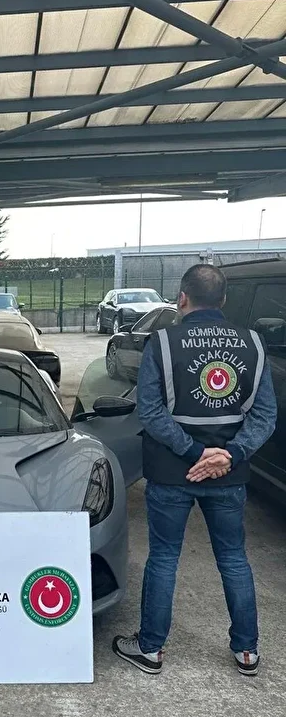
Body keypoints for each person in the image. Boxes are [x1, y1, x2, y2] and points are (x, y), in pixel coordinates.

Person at [113, 264, 277, 677]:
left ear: (182, 298)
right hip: (228, 474)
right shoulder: (254, 344)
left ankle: (150, 649)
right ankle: (247, 651)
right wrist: (229, 455)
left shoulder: (162, 342)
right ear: (224, 300)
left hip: (171, 472)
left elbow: (150, 412)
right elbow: (265, 416)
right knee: (234, 559)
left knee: (164, 558)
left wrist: (192, 451)